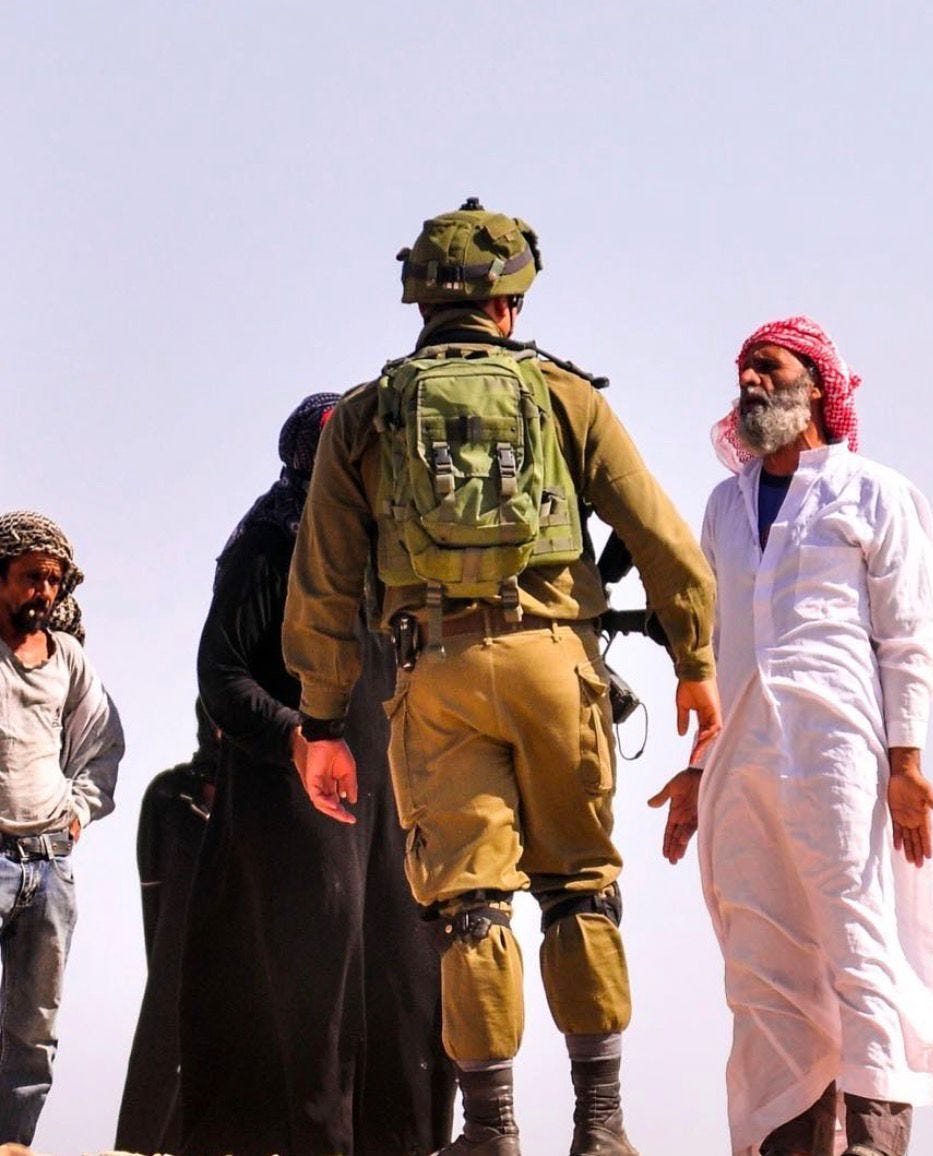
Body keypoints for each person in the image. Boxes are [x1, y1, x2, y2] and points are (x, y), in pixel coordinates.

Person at [282, 198, 721, 1156]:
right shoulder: (566, 398)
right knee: (580, 887)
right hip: (555, 664)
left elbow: (320, 585)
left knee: (470, 901)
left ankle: (490, 1131)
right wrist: (695, 663)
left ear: (419, 299)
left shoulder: (365, 416)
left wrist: (320, 723)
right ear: (510, 302)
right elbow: (665, 543)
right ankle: (600, 1126)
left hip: (436, 673)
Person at [650, 316, 933, 1156]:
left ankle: (872, 1140)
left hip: (837, 749)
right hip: (741, 761)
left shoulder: (874, 493)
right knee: (760, 962)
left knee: (856, 939)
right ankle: (786, 1140)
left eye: (767, 367)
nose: (750, 382)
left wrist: (905, 761)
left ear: (816, 386)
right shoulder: (723, 504)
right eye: (742, 371)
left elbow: (908, 634)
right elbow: (716, 644)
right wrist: (697, 768)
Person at [179, 395, 452, 1156]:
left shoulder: (400, 545)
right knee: (313, 977)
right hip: (290, 795)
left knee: (408, 973)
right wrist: (294, 739)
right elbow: (221, 672)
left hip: (392, 793)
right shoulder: (271, 540)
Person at [0, 512, 123, 1146]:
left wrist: (78, 812)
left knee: (34, 1026)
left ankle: (13, 1142)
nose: (42, 592)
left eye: (52, 581)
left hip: (48, 865)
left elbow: (103, 744)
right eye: (30, 577)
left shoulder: (67, 658)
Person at [114, 700, 219, 1155]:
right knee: (159, 1072)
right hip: (176, 965)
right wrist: (167, 971)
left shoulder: (274, 801)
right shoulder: (168, 796)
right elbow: (153, 906)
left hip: (253, 968)